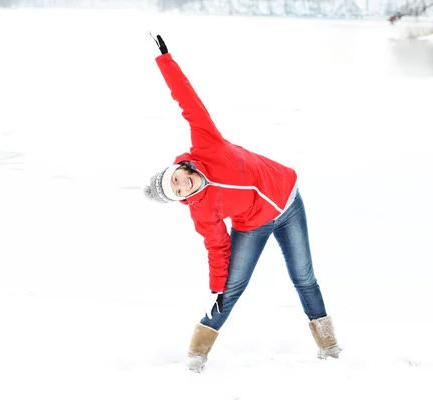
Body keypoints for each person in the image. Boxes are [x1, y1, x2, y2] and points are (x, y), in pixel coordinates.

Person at [144, 34, 342, 373]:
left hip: (289, 200)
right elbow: (216, 247)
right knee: (230, 289)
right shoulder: (200, 211)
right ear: (181, 198)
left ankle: (329, 347)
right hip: (254, 225)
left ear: (179, 166)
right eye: (177, 190)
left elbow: (188, 102)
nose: (181, 184)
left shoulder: (205, 144)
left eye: (176, 177)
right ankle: (196, 355)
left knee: (304, 276)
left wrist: (165, 60)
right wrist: (216, 286)